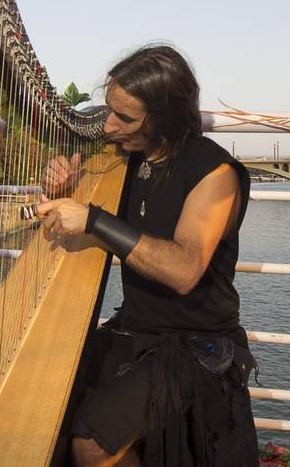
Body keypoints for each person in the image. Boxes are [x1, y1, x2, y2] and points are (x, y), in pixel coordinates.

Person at [36, 44, 259, 467]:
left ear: (165, 119)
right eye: (109, 110)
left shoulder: (214, 173)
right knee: (45, 392)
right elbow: (77, 225)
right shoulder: (125, 160)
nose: (109, 125)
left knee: (91, 444)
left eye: (125, 118)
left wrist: (94, 219)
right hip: (135, 330)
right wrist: (63, 191)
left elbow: (184, 269)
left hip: (193, 343)